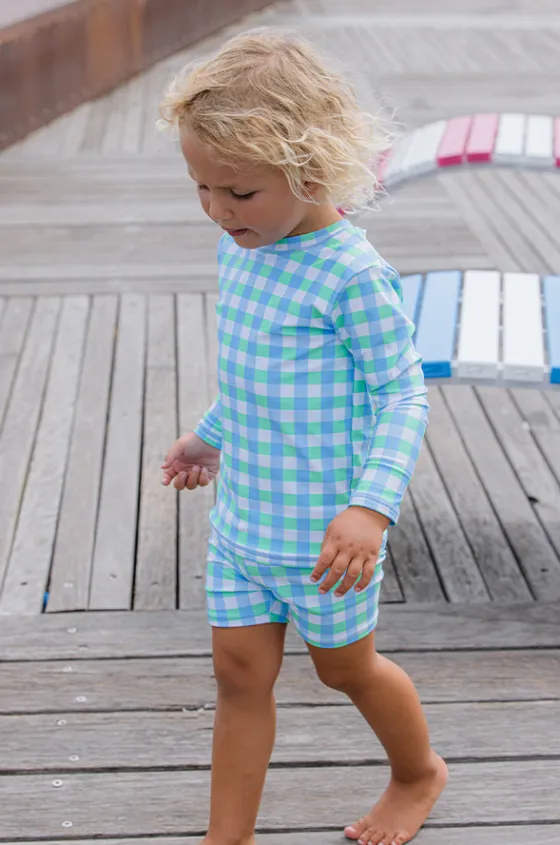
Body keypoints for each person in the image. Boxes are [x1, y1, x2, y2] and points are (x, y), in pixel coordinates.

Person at [160, 27, 447, 845]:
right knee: (238, 675)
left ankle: (417, 771)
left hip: (329, 542)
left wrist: (370, 508)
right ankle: (228, 836)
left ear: (311, 170)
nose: (217, 210)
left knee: (344, 669)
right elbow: (258, 377)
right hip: (244, 530)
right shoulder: (243, 247)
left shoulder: (351, 274)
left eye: (239, 191)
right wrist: (209, 436)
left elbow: (403, 394)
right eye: (201, 186)